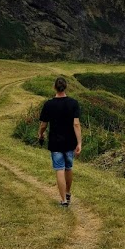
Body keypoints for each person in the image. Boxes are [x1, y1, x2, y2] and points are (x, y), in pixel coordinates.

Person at [38, 76, 82, 207]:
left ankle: (63, 201)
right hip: (70, 141)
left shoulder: (48, 104)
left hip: (55, 142)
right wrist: (79, 142)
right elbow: (76, 124)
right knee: (69, 168)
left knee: (59, 169)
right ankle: (68, 192)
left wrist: (40, 134)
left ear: (54, 87)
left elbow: (43, 124)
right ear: (66, 87)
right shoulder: (73, 103)